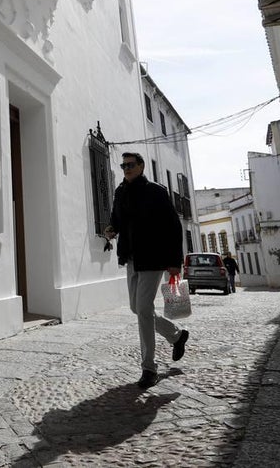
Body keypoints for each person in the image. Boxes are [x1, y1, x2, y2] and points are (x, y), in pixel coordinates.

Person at [104, 152, 189, 389]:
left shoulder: (156, 191)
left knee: (143, 309)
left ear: (141, 166)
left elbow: (173, 227)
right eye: (123, 165)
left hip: (153, 259)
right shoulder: (120, 192)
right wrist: (111, 229)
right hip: (131, 259)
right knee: (137, 308)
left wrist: (174, 261)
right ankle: (177, 335)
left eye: (130, 165)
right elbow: (116, 220)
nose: (126, 169)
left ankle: (148, 368)